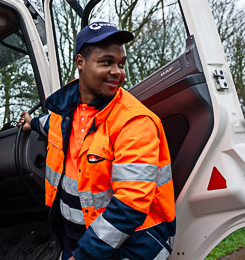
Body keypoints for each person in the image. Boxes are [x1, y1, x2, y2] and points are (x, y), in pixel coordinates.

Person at [18, 22, 176, 260]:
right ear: (80, 62)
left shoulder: (135, 122)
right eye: (107, 62)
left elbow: (129, 206)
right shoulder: (63, 113)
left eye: (121, 64)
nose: (118, 72)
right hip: (74, 237)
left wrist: (82, 256)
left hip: (129, 245)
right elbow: (47, 124)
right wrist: (31, 122)